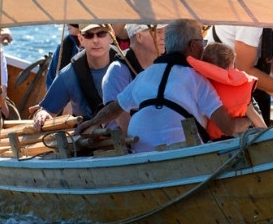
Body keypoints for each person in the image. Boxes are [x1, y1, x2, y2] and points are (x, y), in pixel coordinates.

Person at [77, 19, 253, 153]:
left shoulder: (144, 76)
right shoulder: (198, 80)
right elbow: (228, 127)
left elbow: (113, 109)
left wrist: (92, 122)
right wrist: (249, 121)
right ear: (192, 46)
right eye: (202, 42)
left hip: (141, 153)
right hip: (182, 154)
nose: (204, 47)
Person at [32, 23, 122, 130]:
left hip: (128, 134)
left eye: (101, 34)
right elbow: (47, 110)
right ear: (81, 39)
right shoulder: (69, 75)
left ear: (111, 36)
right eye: (89, 35)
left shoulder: (126, 65)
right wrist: (42, 114)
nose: (95, 40)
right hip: (90, 139)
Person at [187, 42, 267, 139]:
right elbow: (260, 125)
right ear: (230, 66)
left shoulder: (202, 84)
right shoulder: (240, 90)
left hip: (210, 140)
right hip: (236, 138)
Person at [45, 24, 81, 88]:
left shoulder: (96, 49)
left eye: (72, 21)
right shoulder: (63, 46)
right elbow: (51, 79)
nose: (67, 24)